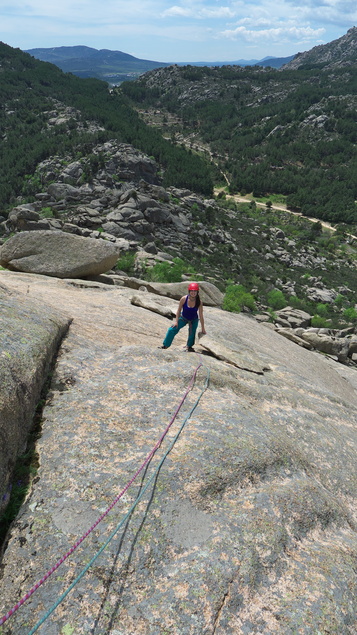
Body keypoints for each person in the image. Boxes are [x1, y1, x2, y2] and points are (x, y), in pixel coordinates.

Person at [159, 282, 206, 352]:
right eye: (192, 291)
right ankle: (165, 345)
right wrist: (176, 321)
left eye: (195, 291)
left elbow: (201, 316)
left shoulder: (199, 302)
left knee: (192, 333)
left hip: (194, 319)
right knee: (171, 330)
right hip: (183, 318)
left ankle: (189, 346)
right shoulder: (184, 299)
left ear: (197, 292)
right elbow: (178, 310)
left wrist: (203, 328)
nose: (193, 292)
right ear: (189, 291)